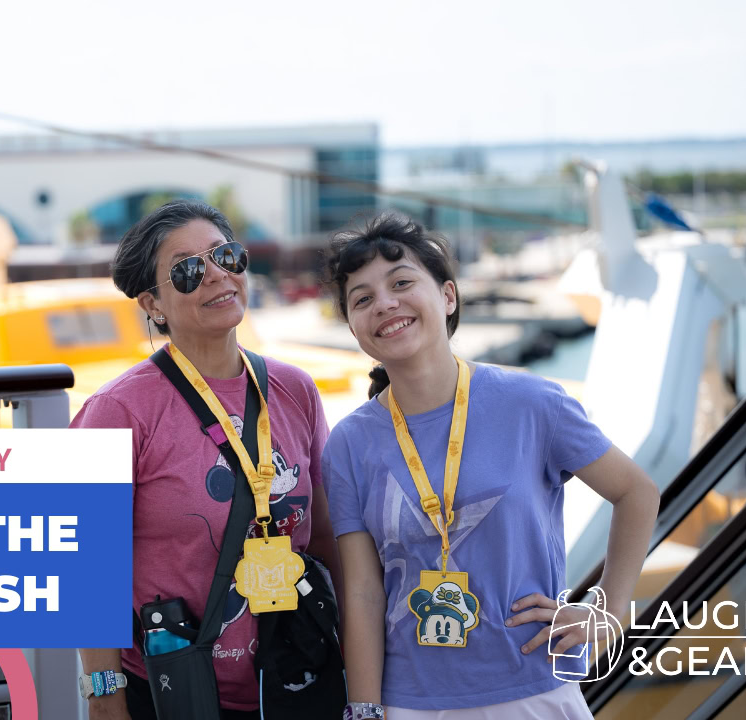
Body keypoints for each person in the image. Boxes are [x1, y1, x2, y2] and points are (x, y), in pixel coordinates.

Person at [321, 213, 659, 719]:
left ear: (448, 296)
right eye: (362, 299)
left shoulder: (532, 404)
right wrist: (366, 711)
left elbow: (636, 492)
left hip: (533, 688)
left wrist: (606, 611)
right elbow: (364, 594)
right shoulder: (349, 443)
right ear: (354, 327)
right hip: (411, 703)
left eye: (402, 283)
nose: (385, 304)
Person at [71, 200, 341, 720]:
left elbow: (327, 538)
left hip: (296, 681)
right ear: (153, 304)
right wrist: (105, 702)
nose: (217, 274)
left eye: (225, 255)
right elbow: (87, 572)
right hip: (174, 694)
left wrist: (356, 663)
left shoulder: (295, 390)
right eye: (188, 270)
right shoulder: (117, 411)